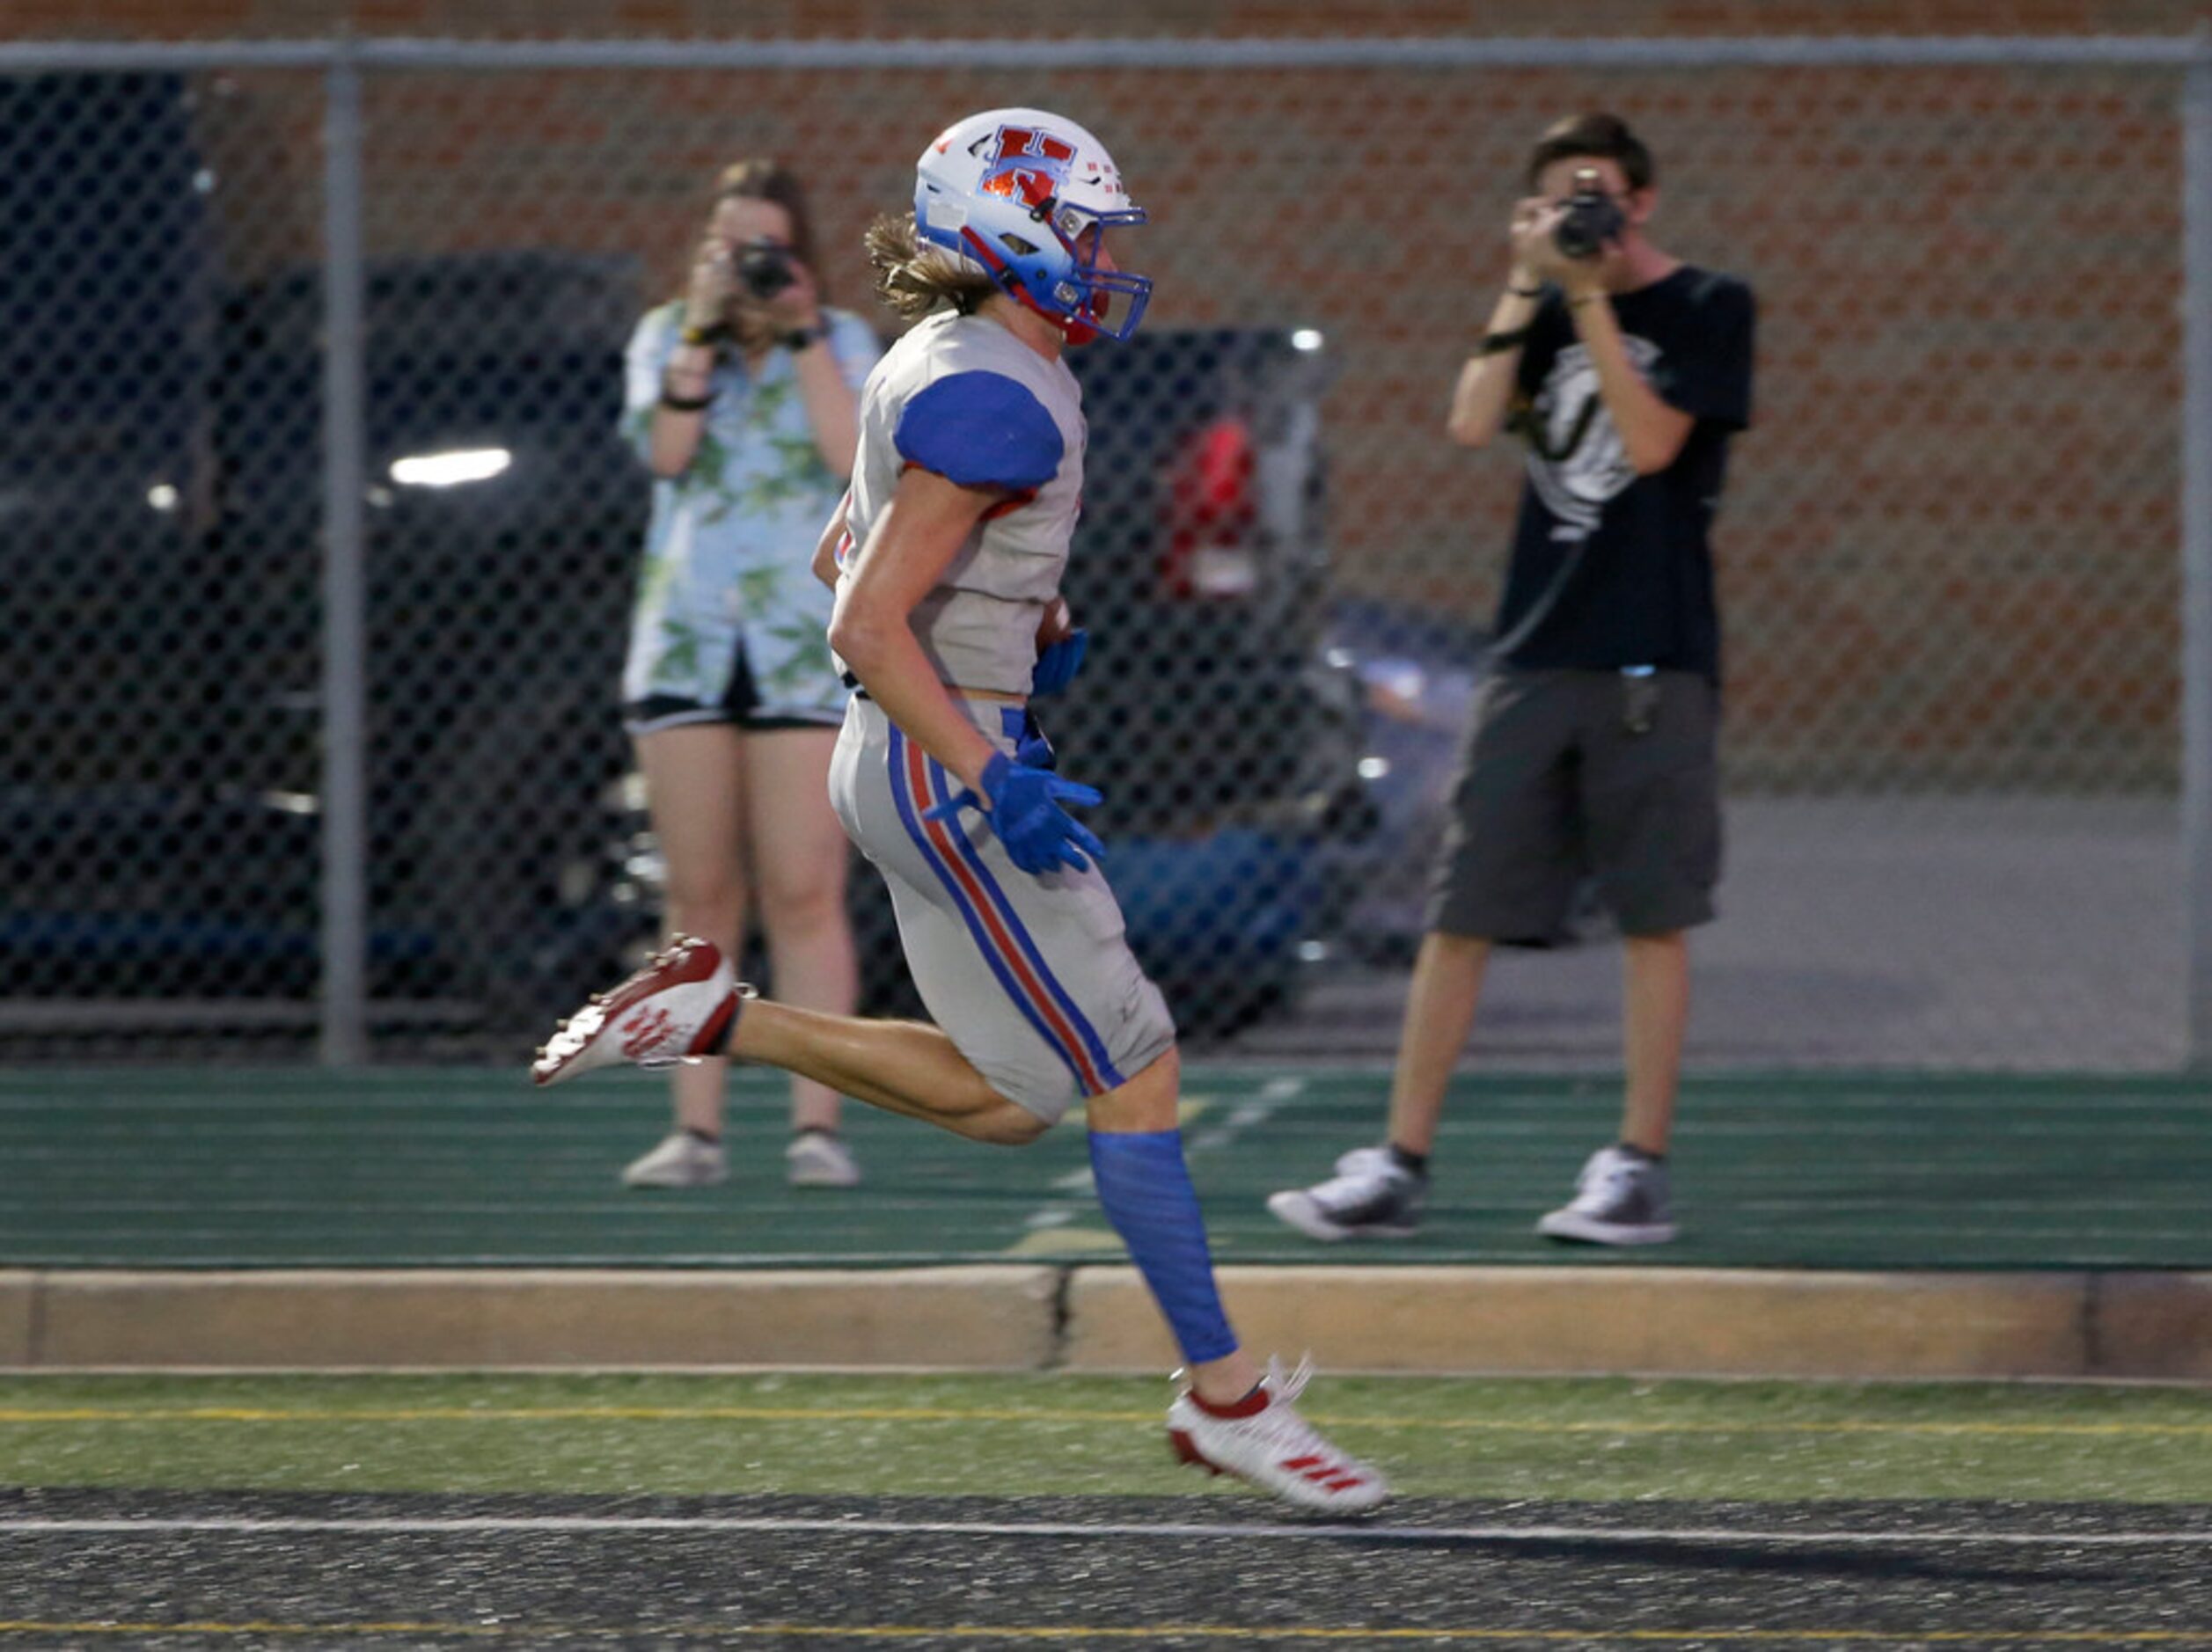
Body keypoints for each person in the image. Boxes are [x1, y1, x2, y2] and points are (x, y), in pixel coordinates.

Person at [537, 107, 1387, 1513]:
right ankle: (1229, 1400)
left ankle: (710, 1017)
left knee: (1011, 1097)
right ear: (1012, 233)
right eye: (1085, 231)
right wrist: (991, 758)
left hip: (907, 755)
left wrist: (1012, 607)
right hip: (946, 762)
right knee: (1136, 1063)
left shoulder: (954, 360)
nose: (1106, 257)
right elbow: (866, 621)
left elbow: (835, 545)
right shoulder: (992, 387)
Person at [1270, 112, 1755, 1247]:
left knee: (1650, 916)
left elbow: (1647, 447)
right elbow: (1470, 420)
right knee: (1459, 911)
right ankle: (1398, 1160)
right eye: (1555, 198)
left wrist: (1587, 298)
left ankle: (1634, 1166)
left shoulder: (1705, 307)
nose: (1580, 214)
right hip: (1531, 652)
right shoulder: (1536, 311)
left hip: (1652, 659)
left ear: (1639, 202)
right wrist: (1520, 284)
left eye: (1596, 194)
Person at [615, 160, 883, 1193]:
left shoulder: (849, 341)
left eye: (767, 247)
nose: (748, 267)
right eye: (731, 247)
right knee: (699, 896)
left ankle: (815, 1126)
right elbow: (666, 453)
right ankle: (696, 1131)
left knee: (804, 890)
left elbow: (847, 458)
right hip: (686, 638)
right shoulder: (663, 335)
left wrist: (805, 329)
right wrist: (699, 326)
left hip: (798, 641)